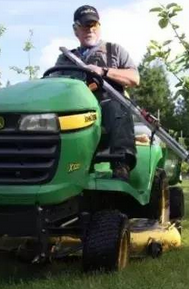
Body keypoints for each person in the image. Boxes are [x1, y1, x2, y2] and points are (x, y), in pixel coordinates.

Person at [55, 5, 140, 181]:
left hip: (108, 112)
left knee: (118, 106)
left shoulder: (114, 51)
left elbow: (134, 78)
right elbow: (52, 87)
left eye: (94, 25)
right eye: (86, 26)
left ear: (99, 27)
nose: (90, 30)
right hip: (74, 113)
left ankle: (120, 164)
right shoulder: (65, 59)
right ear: (75, 30)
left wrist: (104, 71)